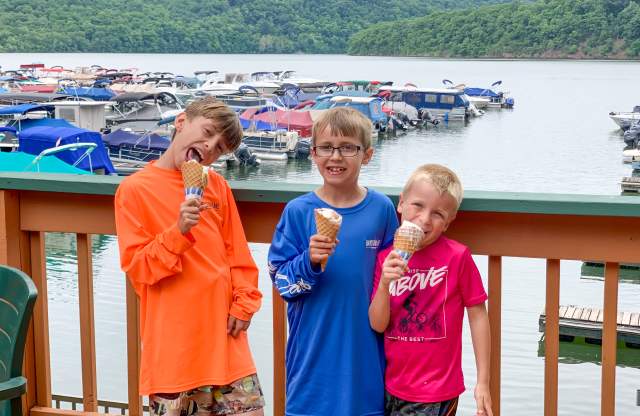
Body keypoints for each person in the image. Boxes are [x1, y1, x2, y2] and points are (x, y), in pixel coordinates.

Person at [115, 97, 265, 416]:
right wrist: (178, 231)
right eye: (207, 132)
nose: (209, 147)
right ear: (181, 122)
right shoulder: (134, 190)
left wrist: (245, 302)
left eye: (220, 148)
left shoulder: (217, 186)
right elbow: (139, 269)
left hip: (226, 341)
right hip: (173, 350)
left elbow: (236, 253)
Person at [267, 107, 399, 415]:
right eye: (326, 147)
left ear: (366, 155)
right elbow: (282, 283)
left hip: (366, 355)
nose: (335, 157)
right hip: (311, 355)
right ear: (312, 153)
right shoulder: (298, 211)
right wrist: (309, 262)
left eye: (347, 148)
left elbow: (394, 280)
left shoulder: (381, 210)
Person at [369, 164, 493, 416]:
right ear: (401, 204)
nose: (424, 219)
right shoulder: (385, 258)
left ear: (448, 222)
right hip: (390, 385)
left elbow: (478, 315)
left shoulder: (457, 257)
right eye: (417, 205)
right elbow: (377, 324)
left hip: (437, 391)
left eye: (438, 213)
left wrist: (483, 382)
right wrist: (384, 284)